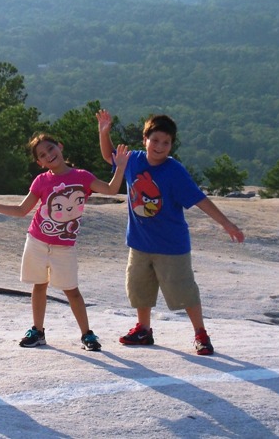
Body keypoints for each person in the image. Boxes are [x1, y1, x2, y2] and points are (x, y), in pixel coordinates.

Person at [96, 109, 245, 355]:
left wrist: (227, 223)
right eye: (154, 140)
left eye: (166, 142)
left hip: (171, 246)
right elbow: (110, 156)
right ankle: (143, 330)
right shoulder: (132, 159)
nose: (159, 146)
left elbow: (200, 199)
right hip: (140, 243)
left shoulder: (174, 170)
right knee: (139, 289)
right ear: (144, 139)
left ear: (171, 145)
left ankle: (201, 334)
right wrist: (104, 132)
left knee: (184, 290)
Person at [0, 133, 131, 351]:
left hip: (64, 246)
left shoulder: (82, 176)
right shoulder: (41, 181)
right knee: (39, 285)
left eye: (50, 149)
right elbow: (21, 210)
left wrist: (120, 166)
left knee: (72, 290)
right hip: (37, 240)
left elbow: (111, 189)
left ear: (60, 147)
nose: (49, 155)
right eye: (43, 155)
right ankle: (38, 331)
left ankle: (87, 334)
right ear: (40, 163)